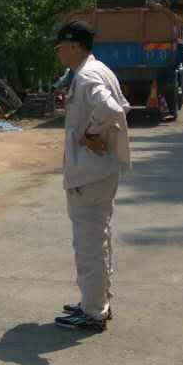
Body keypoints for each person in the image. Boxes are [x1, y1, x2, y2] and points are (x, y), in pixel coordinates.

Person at [53, 19, 130, 333]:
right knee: (99, 240)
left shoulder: (86, 76)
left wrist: (92, 133)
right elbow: (123, 105)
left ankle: (93, 312)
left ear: (74, 46)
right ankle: (97, 302)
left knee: (88, 245)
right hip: (100, 170)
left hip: (88, 174)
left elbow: (112, 109)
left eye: (60, 47)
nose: (58, 52)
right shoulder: (100, 70)